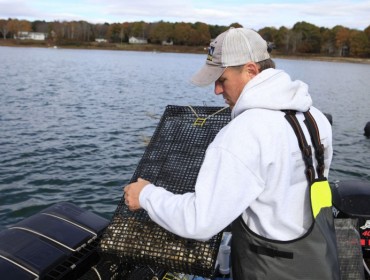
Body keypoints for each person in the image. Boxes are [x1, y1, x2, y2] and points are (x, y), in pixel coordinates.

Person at [124, 27, 340, 279]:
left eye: (222, 79)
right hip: (320, 260)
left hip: (270, 269)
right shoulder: (314, 117)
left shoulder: (243, 133)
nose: (216, 90)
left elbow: (200, 222)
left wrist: (147, 195)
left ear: (251, 70)